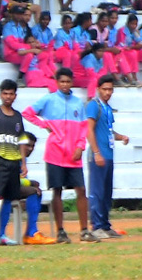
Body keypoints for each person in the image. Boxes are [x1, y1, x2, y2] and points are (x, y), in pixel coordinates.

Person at [24, 67, 98, 244]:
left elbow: (83, 128)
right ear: (57, 82)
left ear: (72, 82)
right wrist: (44, 125)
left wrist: (81, 146)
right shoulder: (49, 100)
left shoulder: (78, 103)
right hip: (55, 154)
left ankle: (84, 230)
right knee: (57, 191)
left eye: (68, 82)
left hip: (73, 154)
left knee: (81, 190)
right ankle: (61, 231)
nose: (65, 85)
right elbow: (28, 113)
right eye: (62, 82)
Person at [0, 79, 31, 246]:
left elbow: (22, 141)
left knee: (9, 199)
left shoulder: (17, 116)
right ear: (1, 94)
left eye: (11, 94)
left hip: (14, 162)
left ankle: (2, 234)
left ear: (15, 96)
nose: (8, 96)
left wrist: (23, 163)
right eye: (5, 93)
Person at [85, 74, 129, 240]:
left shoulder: (107, 108)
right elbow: (89, 130)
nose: (108, 92)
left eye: (110, 89)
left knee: (106, 193)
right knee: (97, 192)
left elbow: (109, 131)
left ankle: (105, 225)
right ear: (98, 89)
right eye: (104, 89)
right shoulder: (94, 106)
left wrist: (122, 136)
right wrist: (96, 153)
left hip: (108, 154)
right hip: (99, 155)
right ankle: (96, 226)